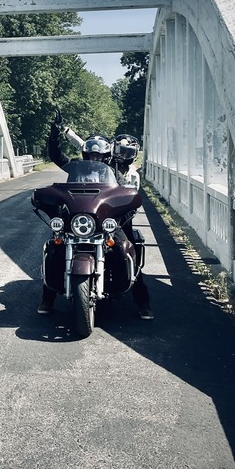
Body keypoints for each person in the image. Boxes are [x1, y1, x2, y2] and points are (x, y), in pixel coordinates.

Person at [43, 115, 154, 320]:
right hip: (79, 220)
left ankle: (142, 302)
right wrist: (54, 134)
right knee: (55, 247)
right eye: (91, 155)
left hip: (106, 221)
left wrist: (128, 203)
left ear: (105, 156)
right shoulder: (75, 168)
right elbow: (56, 155)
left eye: (98, 156)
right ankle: (47, 297)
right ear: (85, 155)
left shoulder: (113, 173)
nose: (94, 159)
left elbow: (124, 192)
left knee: (126, 247)